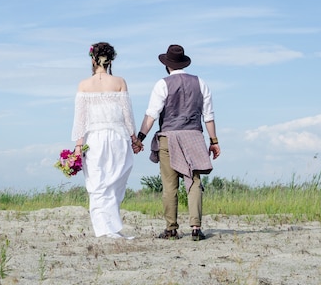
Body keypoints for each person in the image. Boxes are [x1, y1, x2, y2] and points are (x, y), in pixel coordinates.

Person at [135, 44, 221, 241]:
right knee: (194, 182)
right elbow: (209, 116)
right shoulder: (201, 83)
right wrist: (214, 141)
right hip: (194, 137)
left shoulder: (162, 84)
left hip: (169, 137)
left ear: (167, 65)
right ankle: (195, 228)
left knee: (169, 185)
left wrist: (140, 138)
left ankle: (171, 229)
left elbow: (151, 115)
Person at [71, 42, 141, 239]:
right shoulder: (119, 82)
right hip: (118, 137)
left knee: (97, 182)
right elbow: (128, 114)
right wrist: (134, 138)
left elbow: (80, 119)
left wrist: (78, 145)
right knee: (115, 181)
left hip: (95, 138)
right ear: (110, 60)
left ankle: (105, 228)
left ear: (93, 59)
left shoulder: (84, 85)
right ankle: (108, 227)